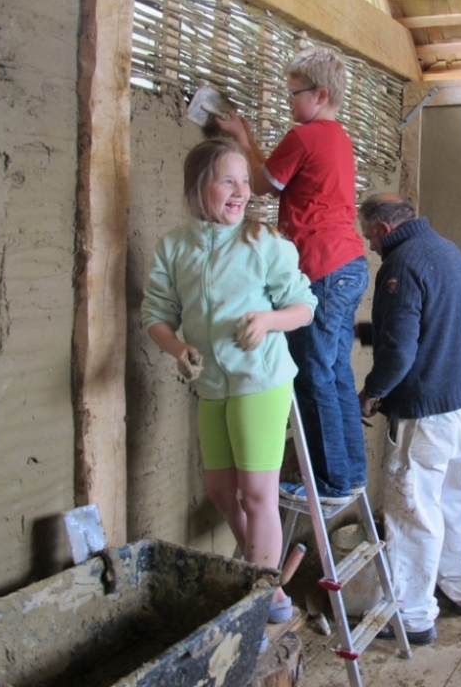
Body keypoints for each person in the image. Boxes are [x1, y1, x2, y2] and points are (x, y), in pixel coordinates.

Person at [141, 137, 318, 634]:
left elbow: (304, 308)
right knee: (221, 491)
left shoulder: (265, 245)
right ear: (199, 188)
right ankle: (268, 584)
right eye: (229, 180)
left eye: (245, 181)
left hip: (260, 380)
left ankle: (259, 603)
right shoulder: (175, 247)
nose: (242, 191)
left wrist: (268, 320)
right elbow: (157, 314)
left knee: (257, 495)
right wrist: (177, 350)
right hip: (212, 385)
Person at [216, 47, 369, 504]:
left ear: (320, 94)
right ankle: (351, 473)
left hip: (321, 267)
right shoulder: (337, 137)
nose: (288, 101)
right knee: (336, 371)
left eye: (294, 93)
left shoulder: (304, 136)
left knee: (312, 376)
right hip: (349, 265)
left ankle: (329, 482)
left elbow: (262, 183)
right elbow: (277, 178)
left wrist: (241, 136)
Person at [356, 193, 461, 646]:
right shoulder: (445, 250)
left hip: (429, 413)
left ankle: (411, 616)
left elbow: (399, 351)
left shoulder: (399, 265)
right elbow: (426, 324)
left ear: (381, 229)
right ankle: (460, 585)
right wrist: (361, 332)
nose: (370, 247)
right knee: (452, 498)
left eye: (369, 238)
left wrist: (372, 393)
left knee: (412, 511)